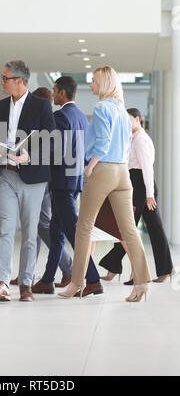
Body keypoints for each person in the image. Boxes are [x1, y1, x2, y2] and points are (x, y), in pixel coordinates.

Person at [59, 66, 151, 303]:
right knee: (129, 230)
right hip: (122, 173)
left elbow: (103, 141)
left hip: (103, 170)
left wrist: (90, 166)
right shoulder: (121, 110)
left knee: (84, 227)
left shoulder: (101, 107)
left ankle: (77, 282)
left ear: (104, 83)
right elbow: (125, 142)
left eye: (94, 81)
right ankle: (141, 282)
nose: (91, 85)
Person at [0, 60, 56, 302]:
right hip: (5, 174)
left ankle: (25, 283)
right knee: (5, 229)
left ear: (19, 81)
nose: (1, 82)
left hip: (33, 178)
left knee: (29, 231)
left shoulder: (41, 106)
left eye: (5, 78)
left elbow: (51, 141)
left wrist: (30, 156)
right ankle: (2, 282)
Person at [32, 76, 102, 297]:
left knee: (73, 232)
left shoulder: (60, 116)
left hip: (62, 181)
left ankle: (93, 279)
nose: (52, 95)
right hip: (74, 180)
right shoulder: (82, 117)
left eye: (54, 90)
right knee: (57, 232)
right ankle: (47, 279)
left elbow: (57, 151)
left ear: (62, 92)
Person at [99, 108, 174, 284]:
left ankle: (154, 272)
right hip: (137, 186)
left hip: (142, 188)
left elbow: (147, 168)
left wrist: (149, 195)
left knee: (128, 229)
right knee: (127, 228)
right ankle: (115, 267)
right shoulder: (133, 138)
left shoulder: (140, 140)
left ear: (138, 119)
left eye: (128, 119)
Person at [9, 87, 74, 286]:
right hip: (36, 178)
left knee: (42, 225)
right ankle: (26, 274)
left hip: (42, 179)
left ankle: (69, 267)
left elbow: (51, 152)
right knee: (35, 228)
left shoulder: (47, 122)